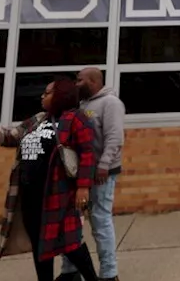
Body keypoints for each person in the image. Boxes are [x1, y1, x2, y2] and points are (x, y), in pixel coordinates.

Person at [0, 76, 101, 281]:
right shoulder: (38, 119)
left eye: (47, 93)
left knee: (70, 243)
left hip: (58, 194)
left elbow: (88, 154)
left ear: (61, 95)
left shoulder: (76, 118)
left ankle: (92, 278)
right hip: (30, 195)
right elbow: (11, 136)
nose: (42, 96)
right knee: (41, 245)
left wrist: (83, 188)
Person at [58, 67, 125, 281]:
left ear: (94, 81)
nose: (76, 84)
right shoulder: (83, 104)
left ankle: (109, 273)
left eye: (80, 80)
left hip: (102, 174)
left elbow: (115, 137)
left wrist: (104, 165)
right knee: (72, 221)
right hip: (81, 174)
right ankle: (70, 271)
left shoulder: (110, 103)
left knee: (100, 220)